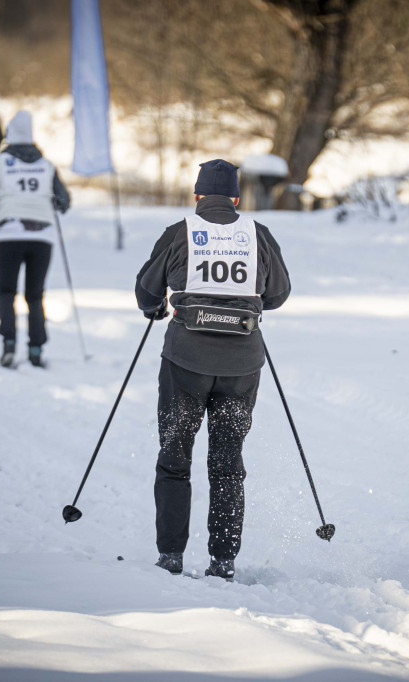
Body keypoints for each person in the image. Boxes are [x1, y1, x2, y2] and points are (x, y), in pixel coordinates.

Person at [135, 159, 291, 579]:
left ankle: (170, 556)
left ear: (198, 196)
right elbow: (277, 295)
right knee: (227, 463)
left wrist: (154, 308)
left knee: (174, 458)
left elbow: (147, 290)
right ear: (237, 199)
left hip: (185, 360)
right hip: (242, 365)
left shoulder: (179, 231)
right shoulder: (257, 233)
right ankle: (223, 561)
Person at [0, 111, 70, 368]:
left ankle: (8, 346)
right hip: (42, 236)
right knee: (35, 296)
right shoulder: (47, 165)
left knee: (7, 292)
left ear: (9, 136)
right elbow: (63, 202)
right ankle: (35, 349)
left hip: (9, 234)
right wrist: (50, 202)